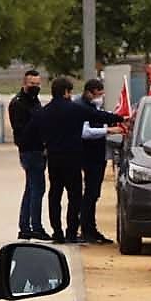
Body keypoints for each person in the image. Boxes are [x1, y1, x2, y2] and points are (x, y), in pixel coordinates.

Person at [31, 76, 126, 244]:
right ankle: (71, 231)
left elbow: (35, 131)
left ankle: (57, 232)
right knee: (74, 196)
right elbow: (98, 115)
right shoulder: (74, 109)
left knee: (55, 195)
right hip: (73, 157)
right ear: (67, 92)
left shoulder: (45, 111)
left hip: (54, 159)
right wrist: (120, 118)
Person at [76, 77, 120, 245]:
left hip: (97, 156)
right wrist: (108, 130)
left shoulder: (94, 107)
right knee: (90, 193)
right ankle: (86, 229)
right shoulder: (82, 108)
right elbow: (85, 132)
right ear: (89, 92)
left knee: (94, 194)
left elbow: (101, 117)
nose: (100, 97)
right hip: (89, 157)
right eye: (98, 94)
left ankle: (90, 228)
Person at [8, 69, 48, 240]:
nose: (35, 87)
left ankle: (25, 227)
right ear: (24, 84)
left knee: (31, 189)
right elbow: (21, 131)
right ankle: (35, 227)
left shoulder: (34, 101)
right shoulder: (19, 104)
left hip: (38, 150)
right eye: (32, 84)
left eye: (38, 84)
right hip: (30, 151)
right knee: (37, 189)